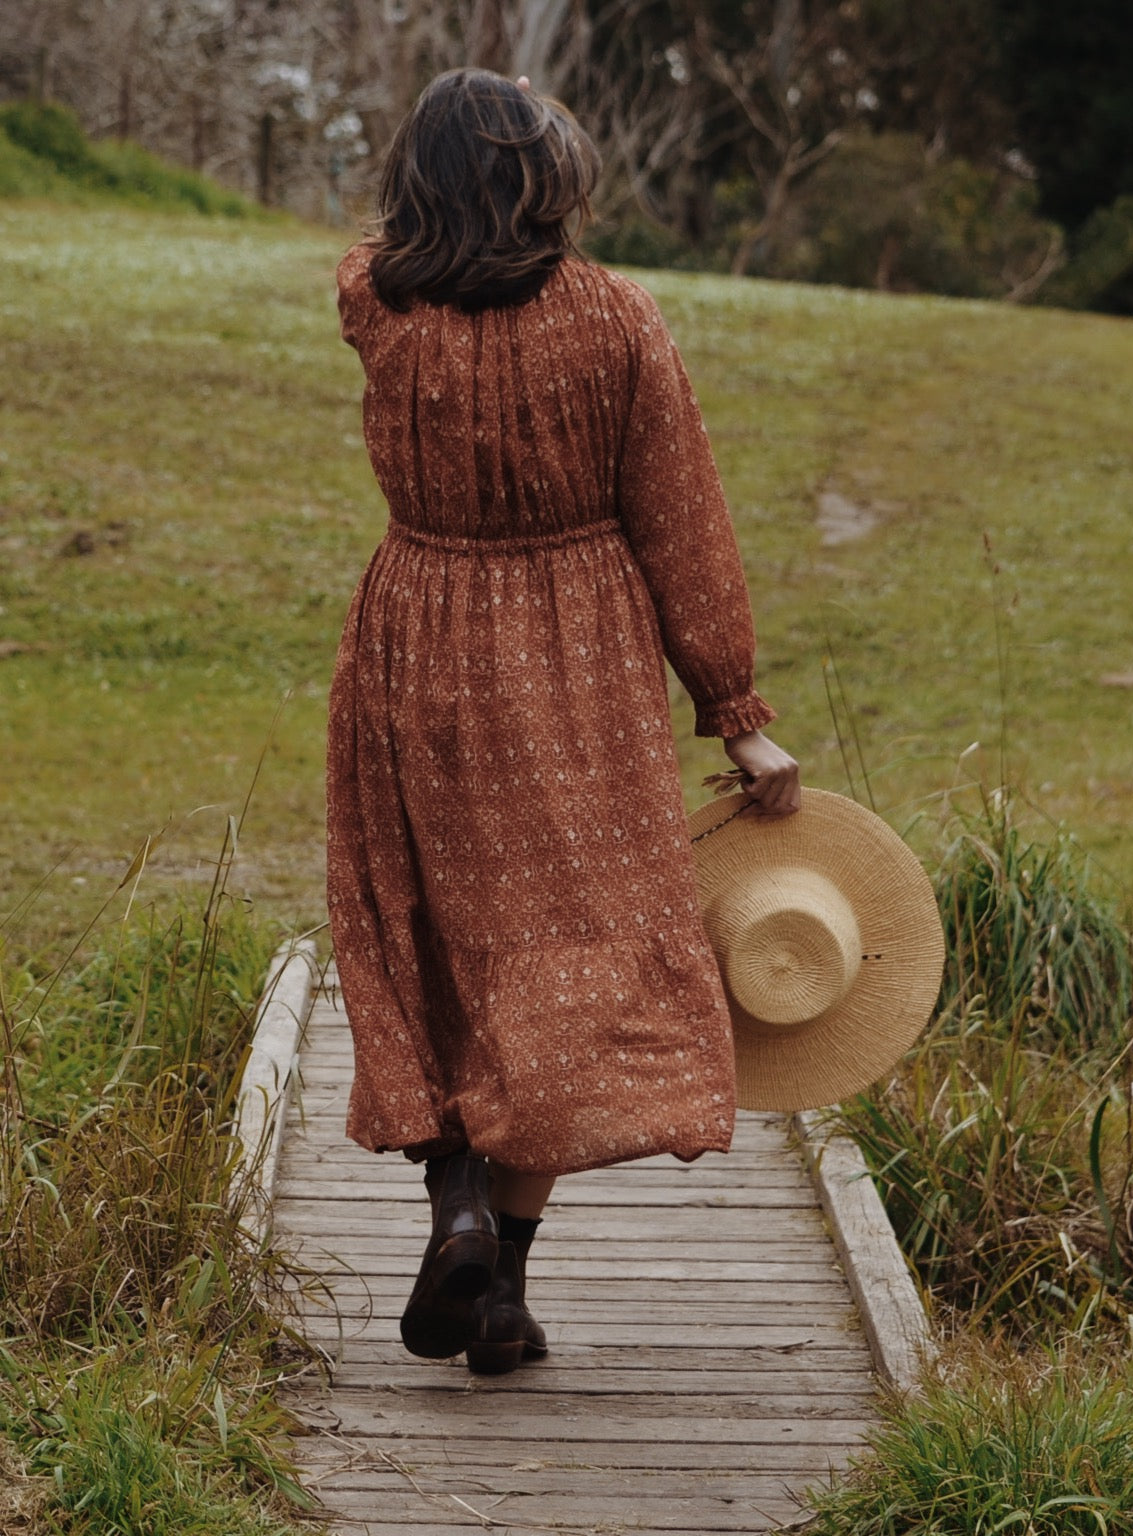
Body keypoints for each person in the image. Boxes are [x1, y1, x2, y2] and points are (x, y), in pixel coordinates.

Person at [326, 67, 800, 1377]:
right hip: (577, 668)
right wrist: (736, 709)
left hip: (418, 639)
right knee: (569, 960)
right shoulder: (617, 320)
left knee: (432, 936)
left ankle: (458, 1205)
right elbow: (683, 526)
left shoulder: (379, 302)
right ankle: (507, 1292)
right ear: (552, 182)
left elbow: (377, 260)